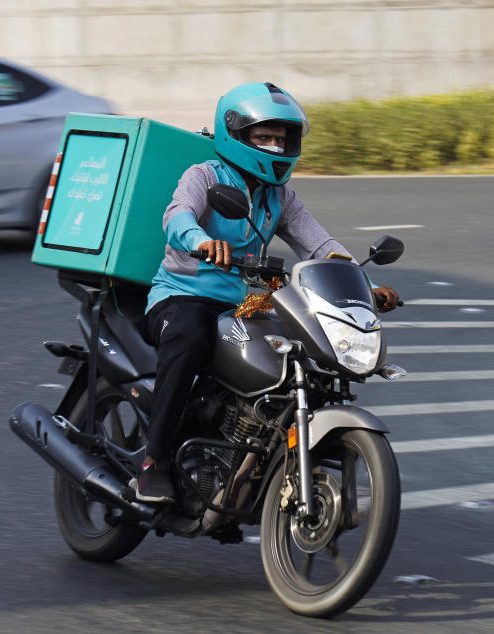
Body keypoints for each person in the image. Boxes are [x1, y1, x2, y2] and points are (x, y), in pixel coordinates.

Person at [131, 82, 400, 502]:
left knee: (294, 353)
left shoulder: (281, 197)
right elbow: (177, 215)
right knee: (189, 339)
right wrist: (200, 241)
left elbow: (321, 246)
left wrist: (365, 286)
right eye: (264, 137)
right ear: (236, 135)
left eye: (280, 138)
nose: (274, 146)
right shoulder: (204, 175)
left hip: (241, 304)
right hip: (182, 294)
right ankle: (154, 463)